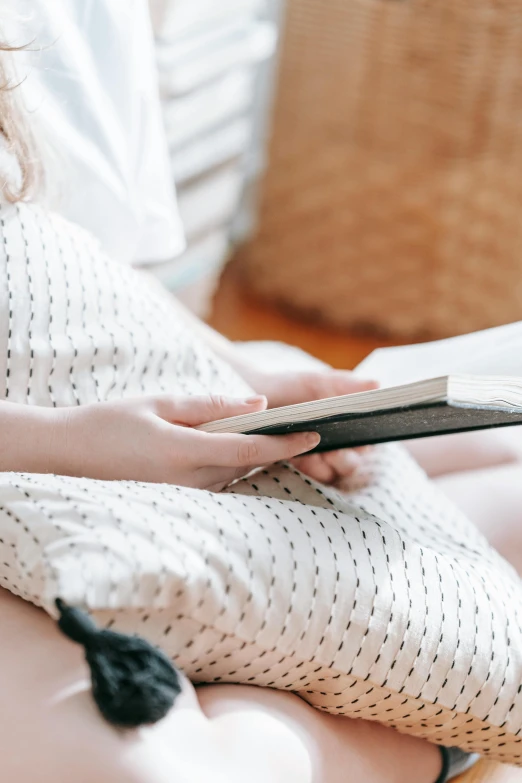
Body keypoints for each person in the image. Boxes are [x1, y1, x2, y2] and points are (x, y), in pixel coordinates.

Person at [0, 2, 520, 781]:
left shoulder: (63, 20)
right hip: (58, 474)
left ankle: (399, 680)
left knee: (480, 447)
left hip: (138, 408)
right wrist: (70, 442)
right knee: (151, 769)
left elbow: (99, 266)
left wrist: (238, 368)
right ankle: (432, 724)